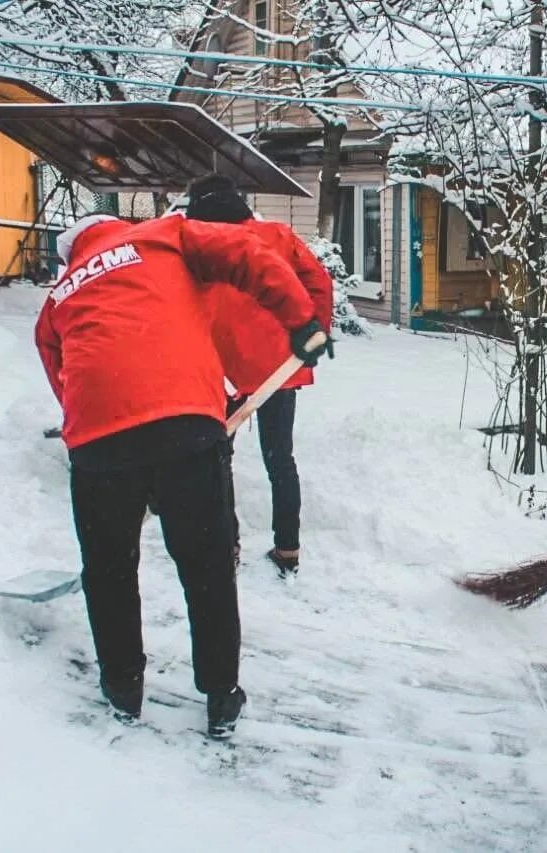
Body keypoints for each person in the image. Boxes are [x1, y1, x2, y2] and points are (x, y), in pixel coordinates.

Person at [35, 212, 328, 738]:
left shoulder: (60, 294)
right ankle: (220, 693)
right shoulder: (163, 234)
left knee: (109, 570)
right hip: (185, 423)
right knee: (206, 566)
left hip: (99, 441)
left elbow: (58, 368)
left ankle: (122, 687)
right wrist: (301, 320)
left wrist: (104, 426)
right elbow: (247, 255)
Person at [186, 174, 334, 580]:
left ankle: (226, 545)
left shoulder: (195, 243)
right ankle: (288, 549)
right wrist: (314, 331)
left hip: (221, 371)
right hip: (278, 367)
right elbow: (319, 281)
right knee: (280, 459)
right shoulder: (276, 235)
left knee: (219, 460)